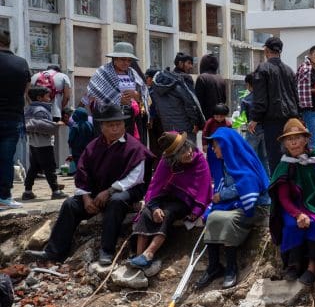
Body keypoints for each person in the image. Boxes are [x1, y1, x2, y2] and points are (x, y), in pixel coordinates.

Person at [25, 104, 152, 265]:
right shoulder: (93, 146)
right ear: (102, 127)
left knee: (116, 201)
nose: (115, 129)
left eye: (118, 124)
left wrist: (109, 191)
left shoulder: (134, 147)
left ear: (124, 125)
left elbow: (135, 178)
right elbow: (82, 172)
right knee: (70, 204)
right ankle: (54, 251)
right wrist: (86, 198)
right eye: (110, 125)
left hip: (126, 190)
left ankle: (106, 251)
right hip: (96, 192)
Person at [197, 127, 271, 289]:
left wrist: (222, 195)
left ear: (226, 145)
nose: (213, 149)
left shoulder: (241, 159)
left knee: (227, 219)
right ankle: (214, 265)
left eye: (215, 146)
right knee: (213, 216)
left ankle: (231, 267)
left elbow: (249, 184)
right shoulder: (226, 162)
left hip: (256, 205)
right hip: (237, 203)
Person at [268, 118, 315, 286]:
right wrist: (298, 214)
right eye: (289, 139)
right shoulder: (285, 165)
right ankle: (294, 264)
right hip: (294, 207)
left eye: (297, 138)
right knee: (292, 225)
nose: (293, 142)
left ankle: (313, 266)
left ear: (306, 140)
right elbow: (284, 198)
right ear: (285, 143)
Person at [128, 132, 212, 269]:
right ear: (174, 157)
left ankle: (148, 254)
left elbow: (204, 187)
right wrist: (154, 207)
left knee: (167, 213)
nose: (189, 153)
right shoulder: (167, 162)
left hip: (185, 201)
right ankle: (138, 255)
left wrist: (197, 210)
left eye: (188, 148)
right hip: (165, 197)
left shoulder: (199, 160)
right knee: (146, 212)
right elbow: (156, 185)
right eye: (182, 152)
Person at [248, 36, 300, 174]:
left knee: (275, 158)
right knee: (291, 155)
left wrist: (255, 118)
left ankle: (278, 184)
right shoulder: (289, 70)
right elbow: (296, 97)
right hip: (291, 120)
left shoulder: (263, 69)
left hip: (272, 120)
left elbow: (260, 98)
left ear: (266, 50)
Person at [85, 41, 148, 139]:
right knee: (107, 143)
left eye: (129, 60)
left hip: (127, 116)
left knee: (125, 143)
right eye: (123, 59)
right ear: (115, 58)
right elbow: (96, 89)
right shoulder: (103, 72)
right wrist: (118, 99)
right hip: (106, 115)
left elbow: (144, 94)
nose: (126, 63)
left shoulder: (133, 73)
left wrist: (136, 95)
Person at [0, 30, 30, 209]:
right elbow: (26, 90)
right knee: (6, 158)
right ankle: (4, 197)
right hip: (13, 116)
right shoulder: (21, 63)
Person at [21, 87, 67, 201]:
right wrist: (56, 125)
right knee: (50, 167)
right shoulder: (40, 110)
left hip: (33, 143)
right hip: (44, 143)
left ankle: (27, 191)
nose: (49, 98)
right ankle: (56, 191)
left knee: (34, 168)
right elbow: (41, 126)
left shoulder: (29, 109)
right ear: (39, 98)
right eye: (47, 96)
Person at [150, 57, 205, 136]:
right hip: (185, 128)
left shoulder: (156, 88)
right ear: (180, 63)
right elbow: (190, 104)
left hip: (168, 128)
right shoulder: (179, 85)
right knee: (187, 144)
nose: (191, 66)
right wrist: (195, 122)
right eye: (189, 63)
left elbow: (157, 109)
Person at [296, 45, 315, 150]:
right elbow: (301, 89)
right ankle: (312, 160)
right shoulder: (305, 68)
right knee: (313, 142)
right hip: (310, 109)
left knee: (314, 140)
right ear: (310, 55)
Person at [238, 73, 267, 171]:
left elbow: (243, 117)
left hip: (252, 131)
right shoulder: (265, 97)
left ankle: (251, 175)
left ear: (248, 85)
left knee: (249, 155)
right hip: (265, 130)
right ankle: (267, 177)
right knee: (264, 157)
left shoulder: (245, 100)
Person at [194, 53, 228, 121]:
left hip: (206, 119)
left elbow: (198, 102)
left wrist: (196, 121)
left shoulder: (202, 78)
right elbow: (224, 100)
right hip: (219, 119)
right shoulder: (221, 79)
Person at [67, 106, 95, 175]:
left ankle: (81, 176)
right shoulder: (90, 125)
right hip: (88, 149)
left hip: (77, 150)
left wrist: (70, 144)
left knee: (79, 164)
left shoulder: (75, 126)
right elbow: (93, 136)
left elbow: (71, 138)